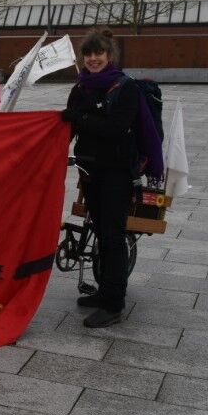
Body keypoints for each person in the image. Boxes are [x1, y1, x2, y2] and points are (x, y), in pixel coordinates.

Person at [61, 28, 163, 328]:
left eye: (99, 53)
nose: (93, 59)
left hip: (117, 171)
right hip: (90, 169)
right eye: (88, 54)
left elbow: (114, 129)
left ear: (109, 55)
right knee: (99, 229)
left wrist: (80, 117)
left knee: (112, 234)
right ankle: (104, 290)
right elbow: (69, 126)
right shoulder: (81, 87)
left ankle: (113, 304)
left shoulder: (125, 87)